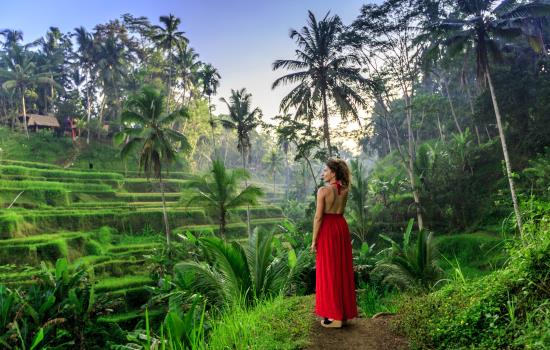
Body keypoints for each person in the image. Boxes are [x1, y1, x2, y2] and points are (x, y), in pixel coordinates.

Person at [311, 158, 358, 328]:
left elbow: (318, 217)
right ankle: (343, 314)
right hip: (341, 227)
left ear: (333, 172)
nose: (323, 173)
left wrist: (314, 240)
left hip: (328, 229)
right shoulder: (345, 190)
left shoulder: (323, 191)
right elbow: (340, 210)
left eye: (325, 170)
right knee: (341, 269)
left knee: (328, 270)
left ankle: (335, 317)